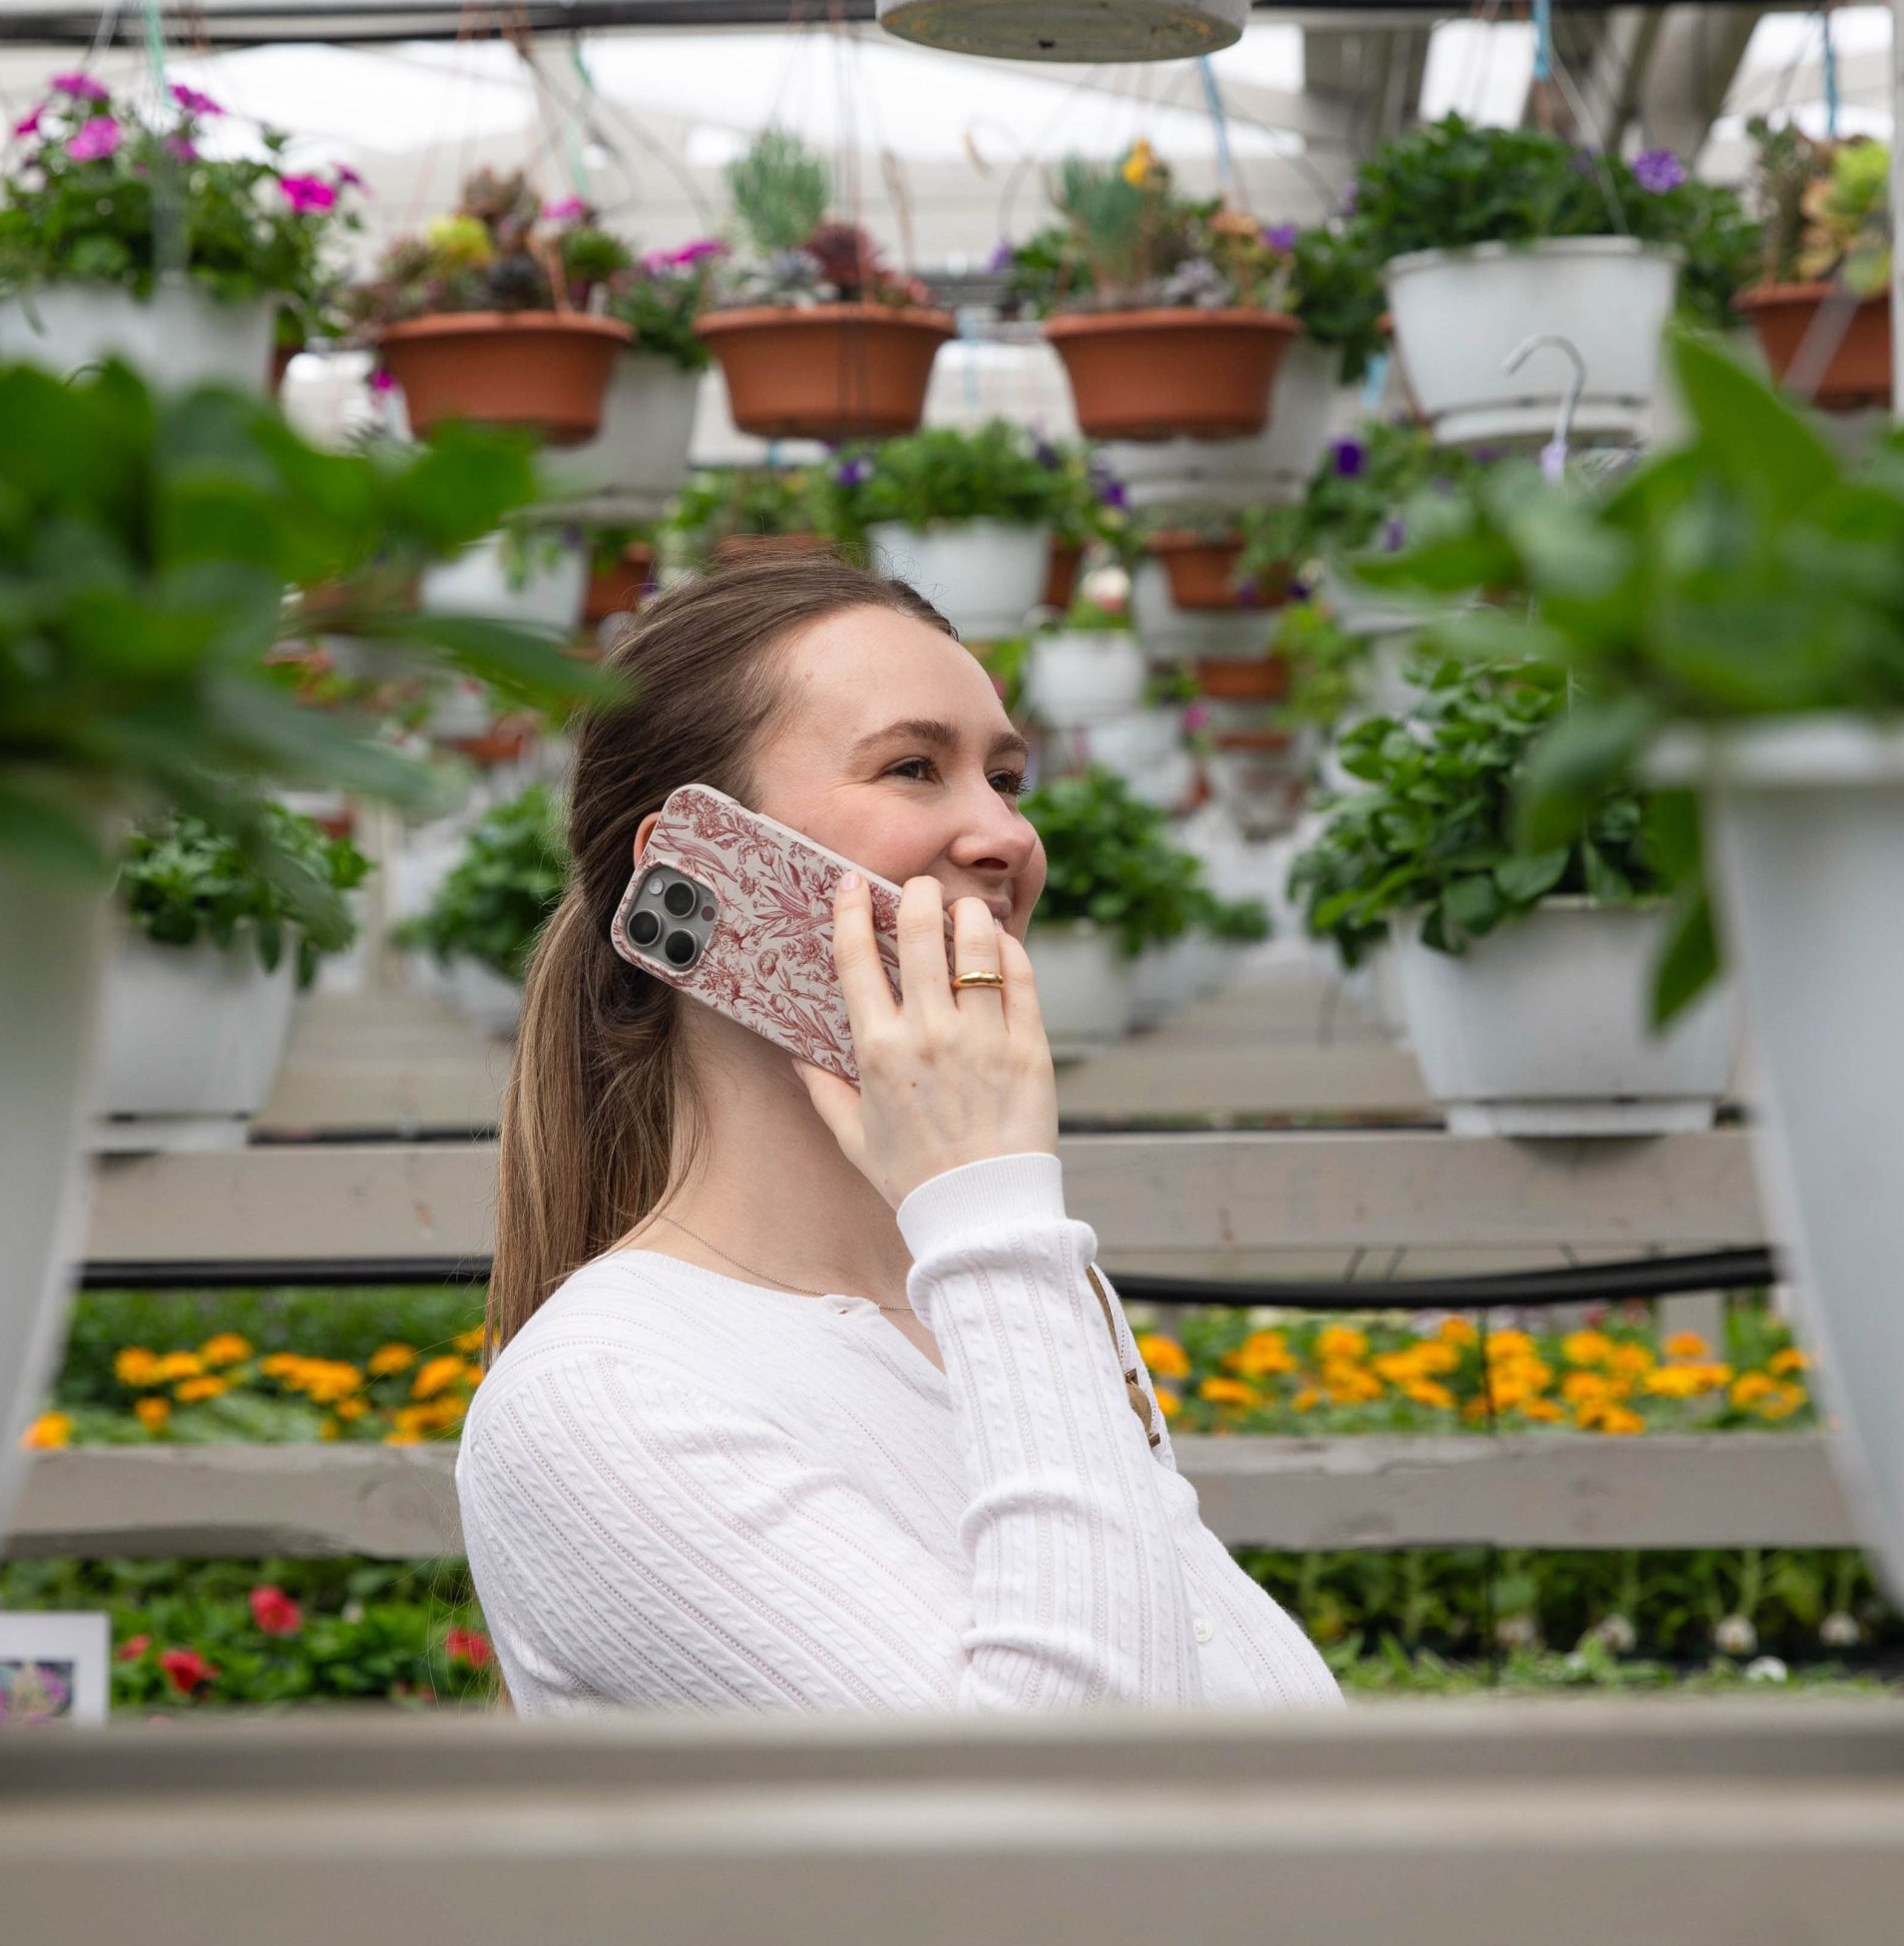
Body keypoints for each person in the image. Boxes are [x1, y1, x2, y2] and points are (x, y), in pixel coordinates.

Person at [455, 552, 1341, 1711]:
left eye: (1008, 778)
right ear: (701, 866)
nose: (1005, 835)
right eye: (913, 767)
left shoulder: (1001, 1290)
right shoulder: (602, 1398)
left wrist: (990, 1241)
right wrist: (990, 1218)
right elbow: (1070, 1790)